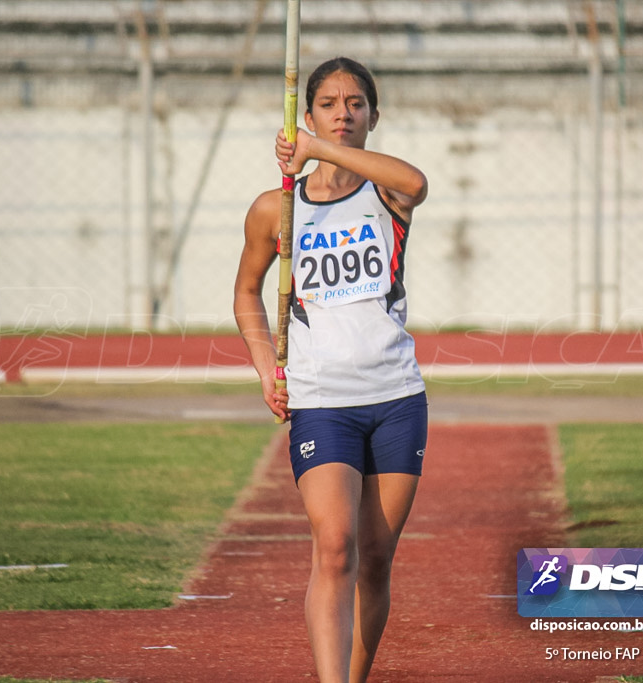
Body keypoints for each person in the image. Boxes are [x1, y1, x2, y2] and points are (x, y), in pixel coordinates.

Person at [233, 56, 429, 683]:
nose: (344, 113)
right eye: (328, 104)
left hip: (397, 397)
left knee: (375, 560)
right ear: (305, 111)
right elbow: (246, 294)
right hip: (322, 402)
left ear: (372, 116)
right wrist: (267, 366)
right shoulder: (277, 209)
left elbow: (417, 180)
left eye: (356, 104)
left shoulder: (387, 193)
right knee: (336, 546)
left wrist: (319, 150)